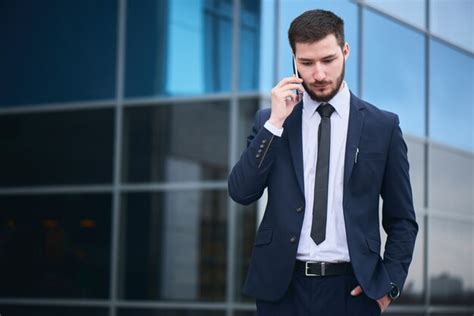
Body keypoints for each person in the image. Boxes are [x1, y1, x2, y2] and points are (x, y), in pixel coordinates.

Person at [228, 9, 418, 316]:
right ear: (294, 60)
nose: (318, 74)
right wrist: (275, 123)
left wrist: (390, 285)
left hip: (353, 292)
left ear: (345, 51)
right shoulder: (271, 122)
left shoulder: (383, 127)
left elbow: (402, 221)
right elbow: (241, 192)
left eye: (328, 60)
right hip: (281, 291)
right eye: (306, 63)